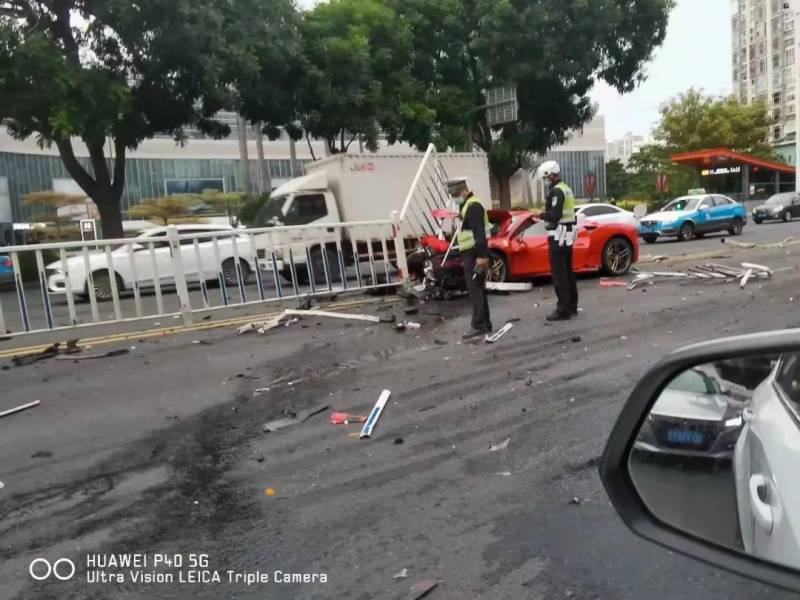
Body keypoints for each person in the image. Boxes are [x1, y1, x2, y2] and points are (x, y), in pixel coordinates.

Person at [447, 177, 492, 342]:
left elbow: (479, 234)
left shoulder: (472, 206)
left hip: (474, 253)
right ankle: (485, 324)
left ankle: (479, 325)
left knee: (475, 289)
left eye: (457, 195)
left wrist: (481, 257)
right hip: (473, 252)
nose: (456, 198)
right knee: (478, 288)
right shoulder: (469, 205)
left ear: (464, 191)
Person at [535, 160, 578, 321]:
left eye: (546, 178)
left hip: (558, 235)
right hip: (567, 235)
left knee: (559, 274)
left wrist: (540, 215)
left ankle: (563, 309)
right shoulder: (567, 189)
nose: (545, 182)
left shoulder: (557, 191)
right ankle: (572, 305)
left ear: (552, 175)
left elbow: (554, 215)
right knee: (568, 272)